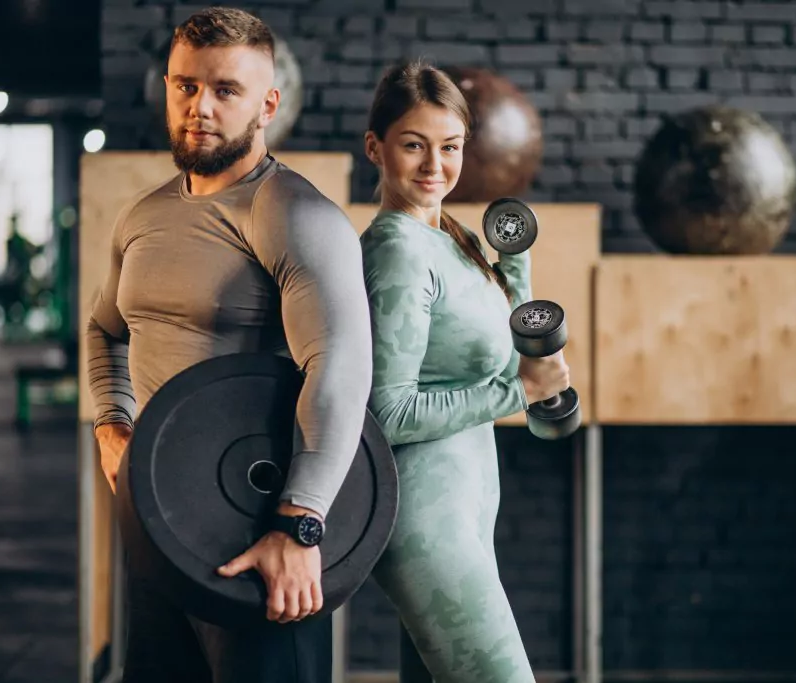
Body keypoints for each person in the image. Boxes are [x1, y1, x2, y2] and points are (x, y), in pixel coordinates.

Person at [85, 7, 373, 682]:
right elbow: (104, 327)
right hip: (159, 523)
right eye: (185, 85)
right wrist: (111, 421)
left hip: (258, 529)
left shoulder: (293, 214)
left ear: (268, 104)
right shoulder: (145, 214)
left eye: (225, 90)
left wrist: (301, 523)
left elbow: (340, 369)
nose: (200, 107)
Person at [359, 61, 572, 683]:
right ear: (376, 147)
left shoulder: (448, 238)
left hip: (465, 509)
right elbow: (385, 413)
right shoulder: (398, 248)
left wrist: (516, 268)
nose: (434, 166)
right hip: (426, 523)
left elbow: (506, 356)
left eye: (449, 147)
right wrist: (519, 390)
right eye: (413, 145)